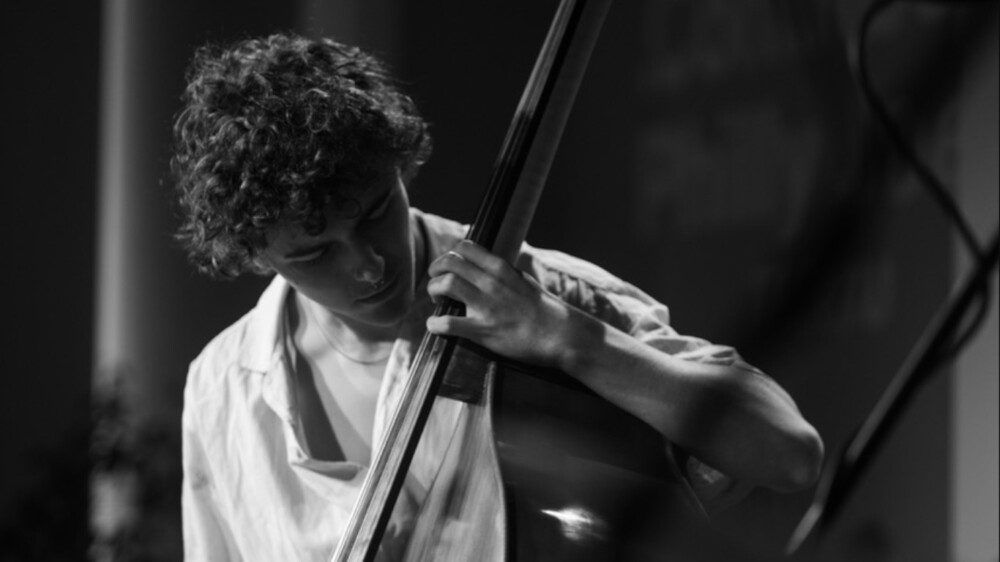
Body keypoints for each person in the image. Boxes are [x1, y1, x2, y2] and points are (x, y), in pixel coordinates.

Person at [173, 33, 823, 561]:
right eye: (314, 254)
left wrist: (566, 337)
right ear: (255, 254)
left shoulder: (535, 292)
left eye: (374, 213)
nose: (368, 266)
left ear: (399, 170)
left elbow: (788, 453)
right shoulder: (221, 386)